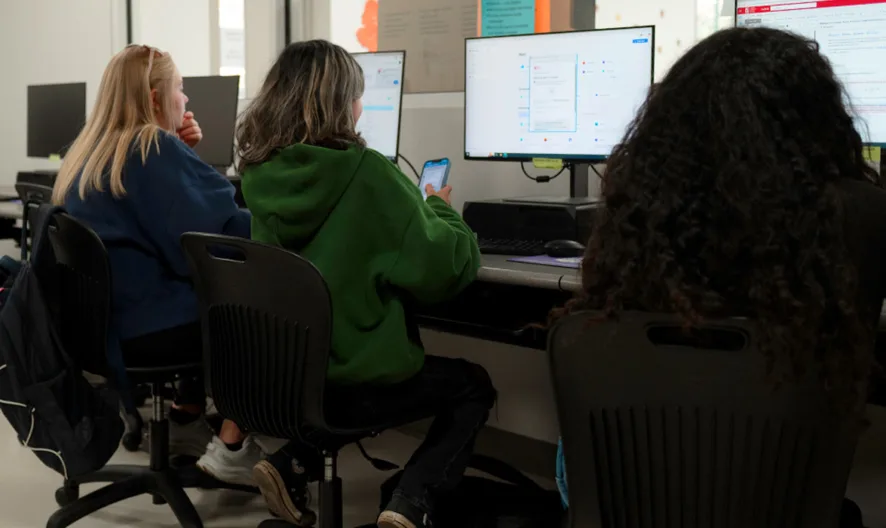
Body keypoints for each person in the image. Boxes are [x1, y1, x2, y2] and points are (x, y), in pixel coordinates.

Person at [553, 27, 884, 521]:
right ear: (818, 120)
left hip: (632, 494)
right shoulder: (861, 213)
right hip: (779, 498)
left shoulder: (641, 208)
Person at [236, 39, 496, 528]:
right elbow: (448, 269)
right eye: (357, 96)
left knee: (339, 376)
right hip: (356, 380)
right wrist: (438, 205)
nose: (361, 107)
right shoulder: (368, 173)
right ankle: (411, 501)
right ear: (341, 105)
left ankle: (291, 461)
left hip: (291, 374)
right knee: (472, 386)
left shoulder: (259, 173)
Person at [52, 44, 261, 486]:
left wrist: (182, 158)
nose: (186, 101)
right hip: (150, 327)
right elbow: (218, 236)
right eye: (180, 90)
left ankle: (195, 412)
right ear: (153, 97)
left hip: (103, 327)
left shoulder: (88, 154)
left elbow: (168, 216)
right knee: (263, 308)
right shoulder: (151, 150)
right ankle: (233, 445)